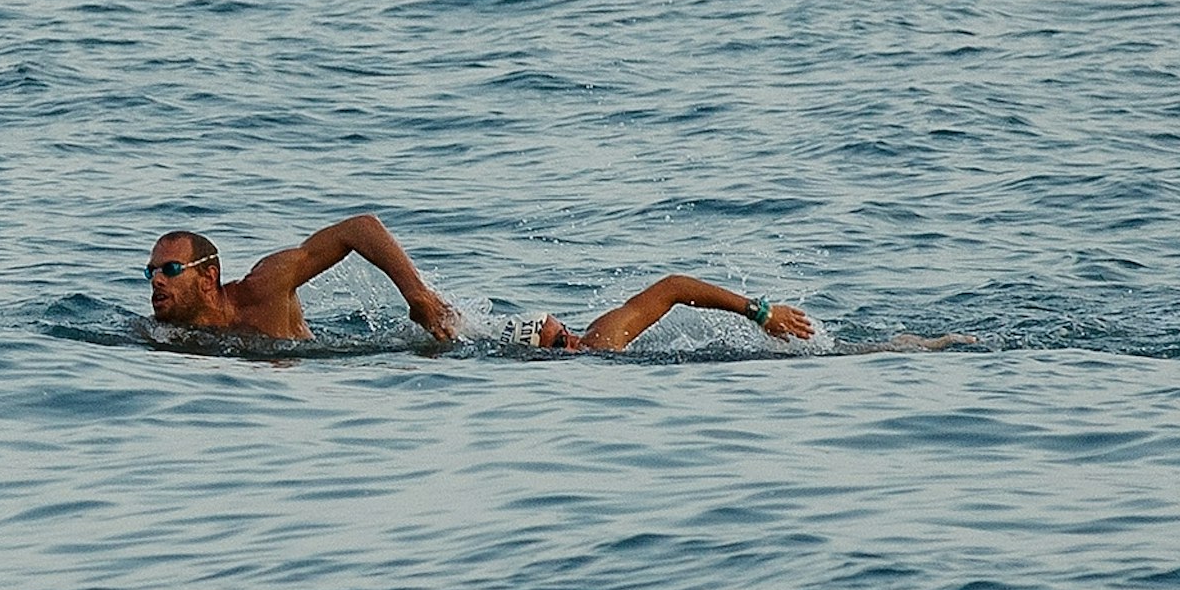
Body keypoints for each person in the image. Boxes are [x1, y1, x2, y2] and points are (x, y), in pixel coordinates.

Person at [146, 215, 462, 345]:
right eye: (152, 272)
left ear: (208, 276)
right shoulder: (166, 336)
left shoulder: (264, 287)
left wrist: (417, 294)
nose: (157, 280)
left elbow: (360, 228)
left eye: (171, 269)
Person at [529, 276, 813, 353]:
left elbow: (674, 287)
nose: (573, 340)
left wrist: (761, 313)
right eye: (559, 343)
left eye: (566, 330)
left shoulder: (601, 340)